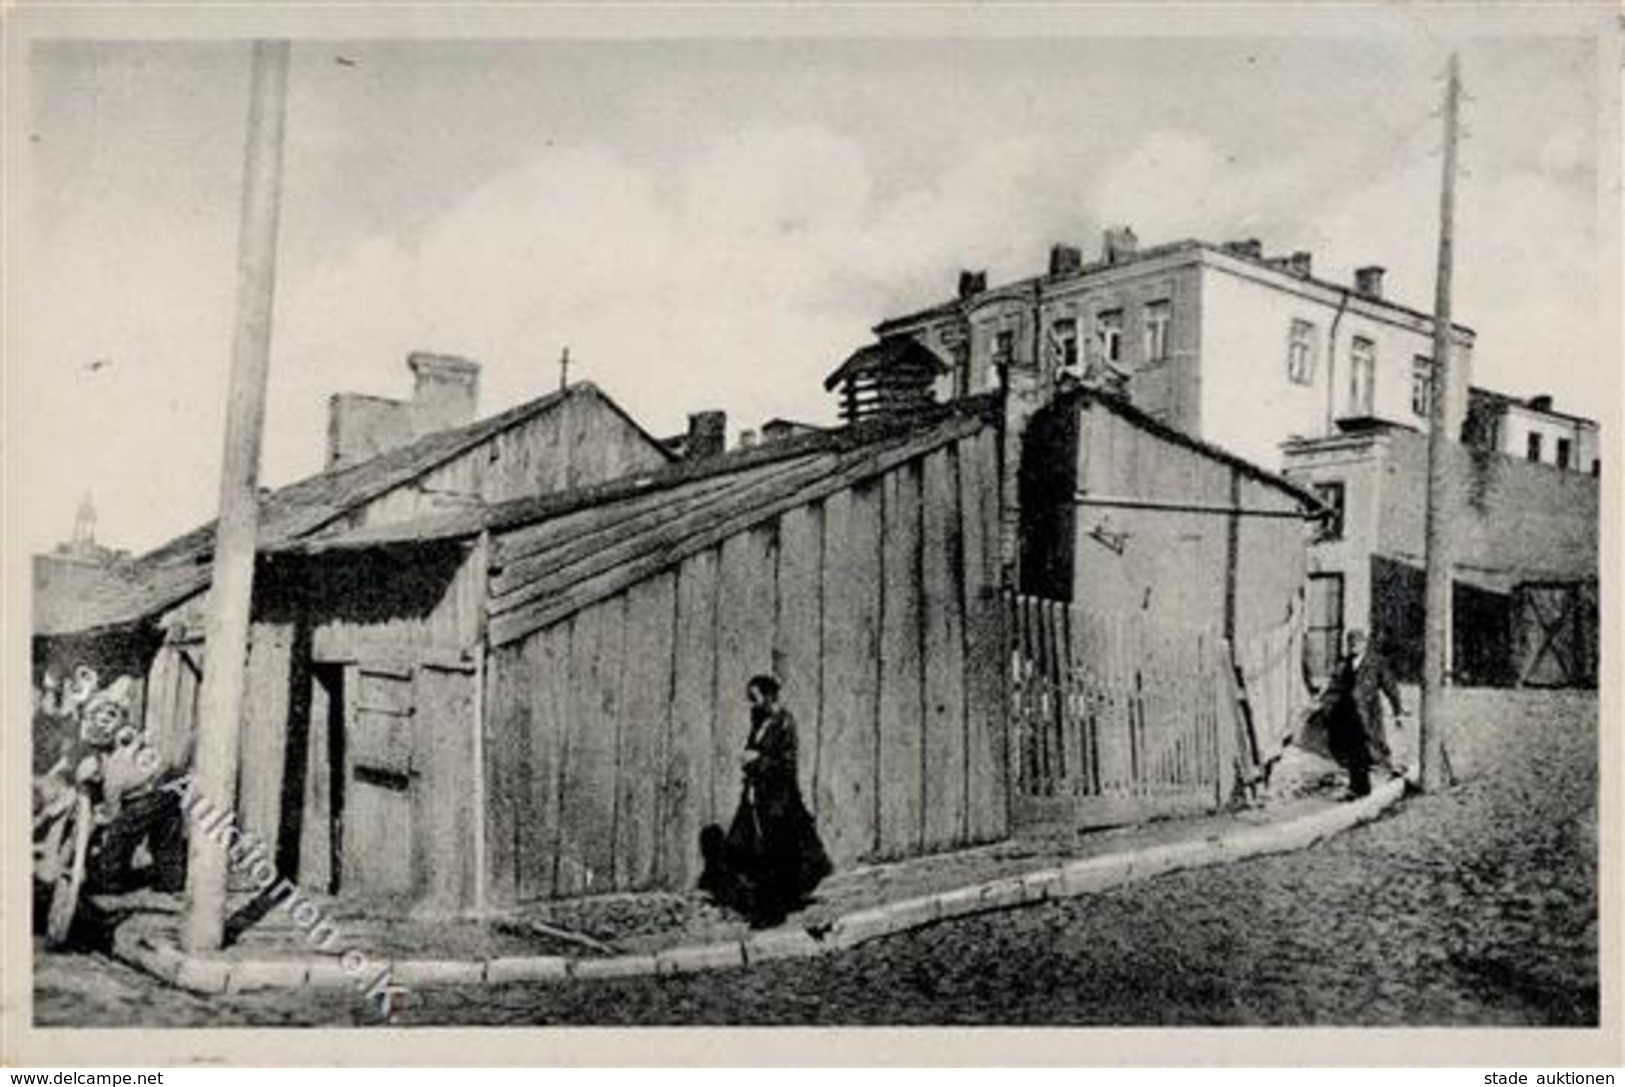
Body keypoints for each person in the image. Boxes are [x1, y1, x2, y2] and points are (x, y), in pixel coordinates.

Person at [698, 675, 832, 927]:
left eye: (755, 697)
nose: (751, 703)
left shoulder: (785, 723)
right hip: (755, 796)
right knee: (745, 850)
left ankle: (772, 913)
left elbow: (787, 766)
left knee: (773, 854)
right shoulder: (759, 720)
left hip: (778, 801)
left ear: (769, 696)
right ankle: (764, 903)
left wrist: (756, 761)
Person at [1320, 629, 1405, 799]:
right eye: (1351, 643)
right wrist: (1324, 704)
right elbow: (1334, 687)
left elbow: (1391, 687)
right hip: (1346, 714)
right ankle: (1358, 787)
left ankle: (1371, 784)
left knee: (1369, 748)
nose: (1354, 646)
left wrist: (1398, 711)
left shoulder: (1376, 662)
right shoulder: (1344, 664)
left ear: (1365, 644)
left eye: (1357, 643)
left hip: (1368, 714)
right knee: (1351, 751)